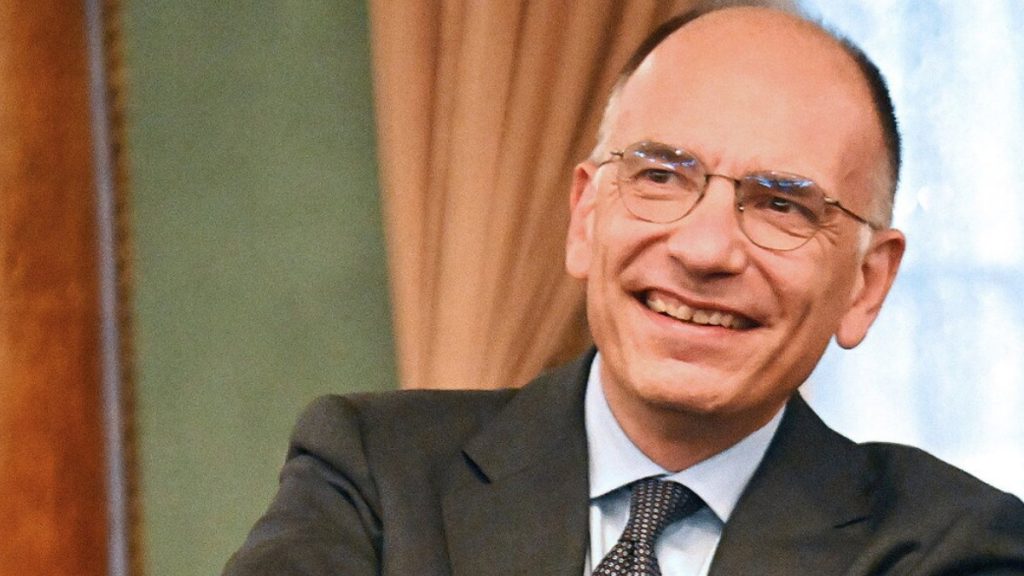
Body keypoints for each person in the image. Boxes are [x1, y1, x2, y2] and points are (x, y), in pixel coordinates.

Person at [223, 5, 1024, 575]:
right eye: (661, 176)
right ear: (585, 215)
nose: (705, 249)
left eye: (782, 205)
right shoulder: (374, 475)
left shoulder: (955, 545)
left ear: (867, 283)